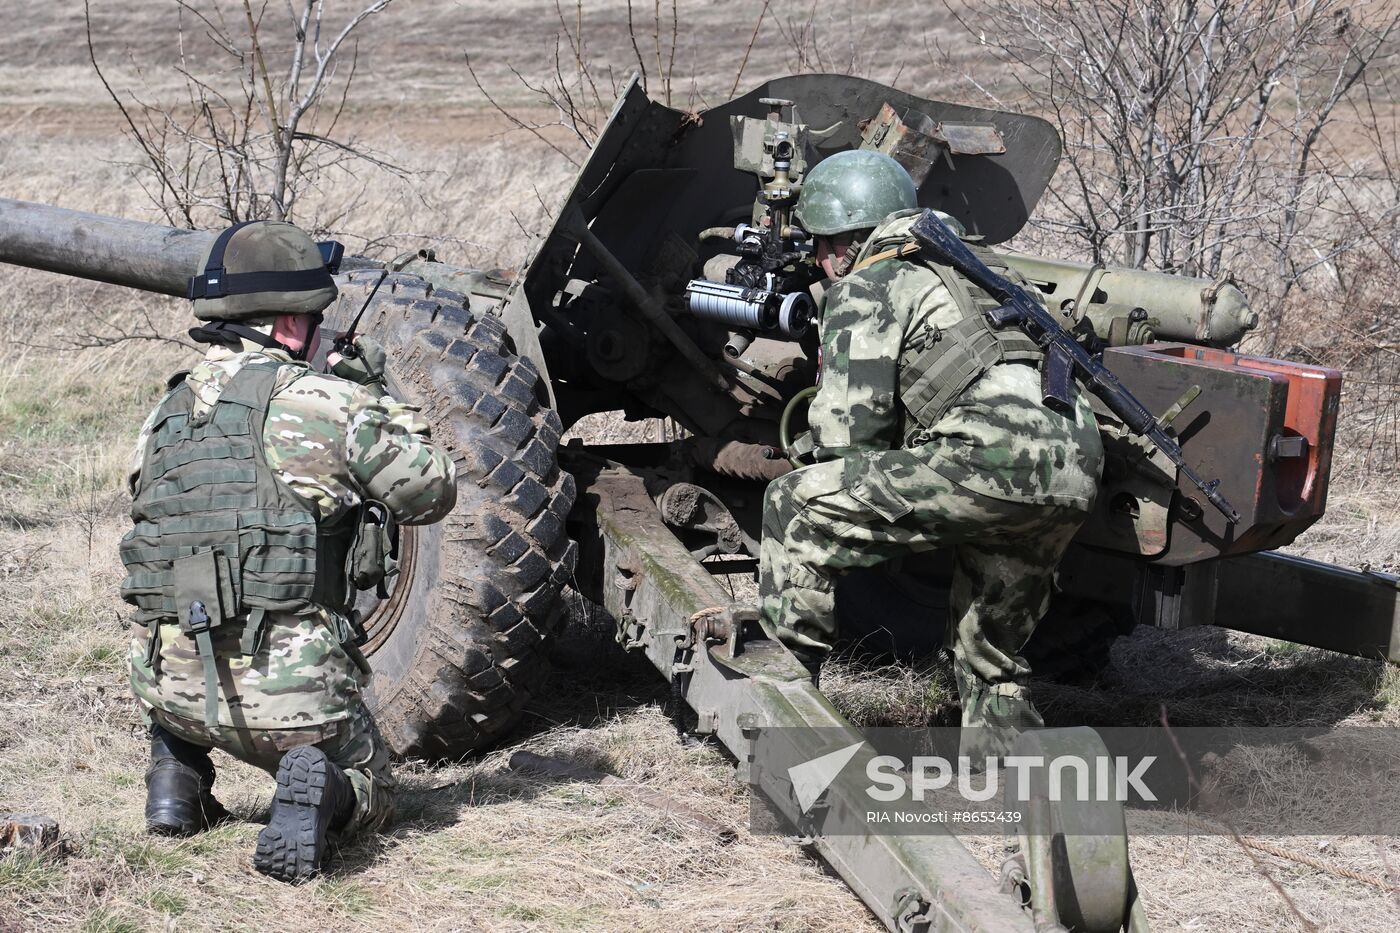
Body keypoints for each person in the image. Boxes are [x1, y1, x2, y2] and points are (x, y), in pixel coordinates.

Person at [120, 220, 456, 881]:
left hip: (173, 689)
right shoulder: (323, 402)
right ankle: (325, 789)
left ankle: (175, 777)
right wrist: (375, 400)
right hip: (292, 702)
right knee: (375, 784)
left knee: (183, 642)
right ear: (287, 326)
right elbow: (431, 489)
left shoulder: (162, 412)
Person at [758, 150, 1104, 759]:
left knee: (794, 506)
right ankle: (1012, 776)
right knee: (989, 653)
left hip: (986, 461)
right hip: (1074, 469)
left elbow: (847, 442)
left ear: (847, 243)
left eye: (821, 246)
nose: (818, 261)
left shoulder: (870, 284)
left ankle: (789, 722)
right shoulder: (984, 269)